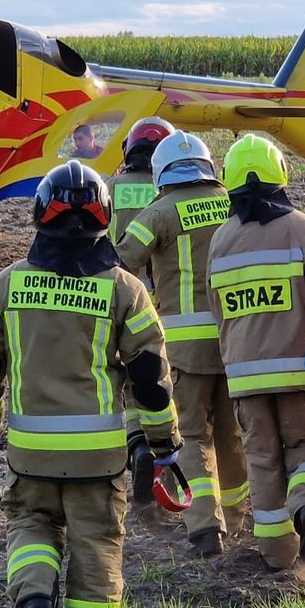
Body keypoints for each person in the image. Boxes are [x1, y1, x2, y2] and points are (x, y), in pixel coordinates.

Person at [0, 160, 180, 608]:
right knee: (97, 538)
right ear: (105, 217)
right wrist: (163, 441)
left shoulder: (7, 285)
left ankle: (34, 593)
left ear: (40, 216)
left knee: (31, 521)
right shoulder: (125, 290)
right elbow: (149, 376)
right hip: (98, 457)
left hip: (31, 452)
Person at [206, 134, 305, 570]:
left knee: (261, 461)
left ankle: (279, 558)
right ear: (280, 176)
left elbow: (218, 310)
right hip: (302, 371)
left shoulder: (220, 240)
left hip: (245, 376)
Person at [116, 131, 242, 557]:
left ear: (161, 173)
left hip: (184, 349)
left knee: (190, 435)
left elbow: (121, 265)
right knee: (231, 435)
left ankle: (206, 527)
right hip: (235, 340)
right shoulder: (232, 201)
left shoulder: (157, 212)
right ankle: (237, 517)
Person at [105, 116, 176, 499]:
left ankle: (137, 444)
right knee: (158, 376)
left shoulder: (108, 187)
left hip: (119, 293)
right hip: (163, 297)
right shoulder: (170, 190)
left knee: (128, 381)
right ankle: (162, 453)